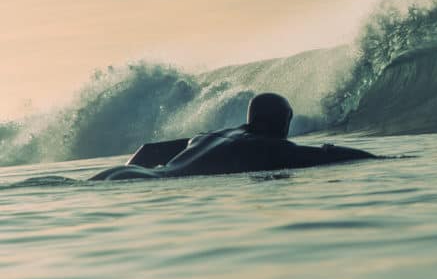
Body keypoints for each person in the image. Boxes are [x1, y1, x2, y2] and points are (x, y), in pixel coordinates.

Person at [90, 92, 376, 181]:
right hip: (144, 182)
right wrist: (378, 158)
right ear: (283, 120)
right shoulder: (270, 148)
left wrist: (130, 174)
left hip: (129, 174)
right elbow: (325, 155)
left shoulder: (213, 135)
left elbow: (149, 149)